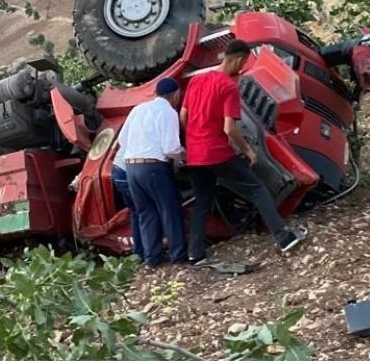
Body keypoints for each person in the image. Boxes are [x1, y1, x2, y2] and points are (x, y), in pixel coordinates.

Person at [180, 39, 308, 265]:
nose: (242, 68)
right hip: (217, 152)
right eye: (244, 63)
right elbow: (229, 129)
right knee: (258, 189)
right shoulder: (228, 86)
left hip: (195, 155)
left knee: (202, 201)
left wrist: (193, 137)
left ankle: (195, 253)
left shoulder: (197, 81)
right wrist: (248, 150)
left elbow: (183, 116)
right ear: (238, 58)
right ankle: (283, 237)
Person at [118, 78, 187, 268]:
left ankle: (152, 259)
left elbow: (122, 140)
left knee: (146, 213)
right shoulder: (169, 113)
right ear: (175, 95)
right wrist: (184, 156)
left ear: (155, 93)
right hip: (154, 168)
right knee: (169, 209)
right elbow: (170, 148)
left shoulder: (138, 109)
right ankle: (178, 255)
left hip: (131, 168)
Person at [111, 144, 145, 262]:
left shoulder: (131, 125)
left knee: (136, 213)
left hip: (118, 169)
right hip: (129, 170)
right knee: (146, 212)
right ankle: (150, 252)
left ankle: (138, 253)